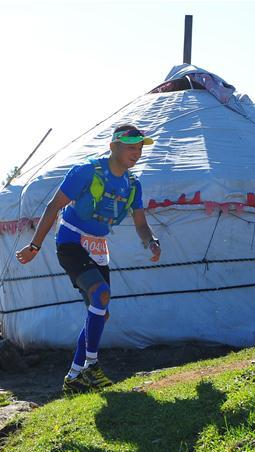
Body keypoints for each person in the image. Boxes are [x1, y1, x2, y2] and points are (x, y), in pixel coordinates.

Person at [16, 124, 162, 394]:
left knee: (101, 312)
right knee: (101, 294)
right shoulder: (86, 171)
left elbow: (140, 222)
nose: (137, 152)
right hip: (70, 241)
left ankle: (74, 376)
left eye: (140, 147)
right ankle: (92, 367)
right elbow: (53, 206)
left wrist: (150, 241)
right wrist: (35, 246)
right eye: (131, 146)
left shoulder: (132, 185)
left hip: (98, 247)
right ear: (113, 146)